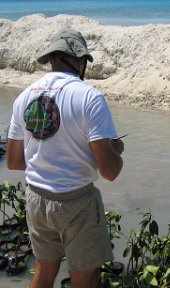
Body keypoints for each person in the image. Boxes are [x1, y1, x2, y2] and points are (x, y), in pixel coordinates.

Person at [6, 27, 124, 288]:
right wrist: (116, 151)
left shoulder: (24, 97)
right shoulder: (90, 97)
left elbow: (14, 161)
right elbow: (110, 171)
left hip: (37, 198)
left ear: (51, 59)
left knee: (44, 273)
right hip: (76, 202)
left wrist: (49, 156)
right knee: (85, 279)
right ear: (80, 61)